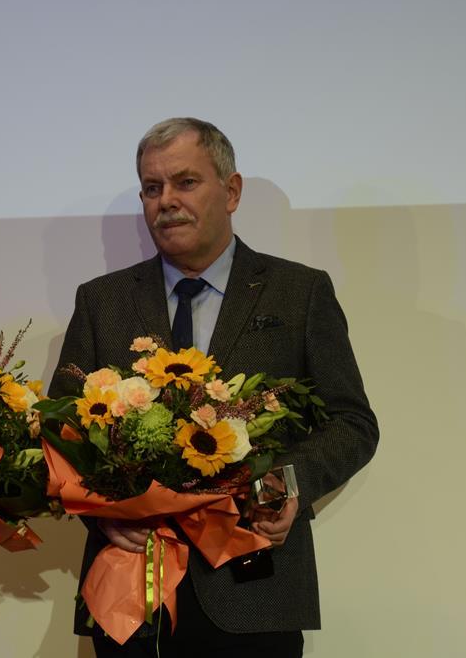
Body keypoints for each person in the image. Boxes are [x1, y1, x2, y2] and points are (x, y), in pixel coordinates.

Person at [50, 118, 379, 657]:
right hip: (131, 595)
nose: (166, 201)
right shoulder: (101, 301)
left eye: (185, 182)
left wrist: (286, 486)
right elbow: (60, 431)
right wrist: (102, 509)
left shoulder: (298, 292)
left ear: (231, 192)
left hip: (255, 588)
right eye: (152, 188)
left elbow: (353, 423)